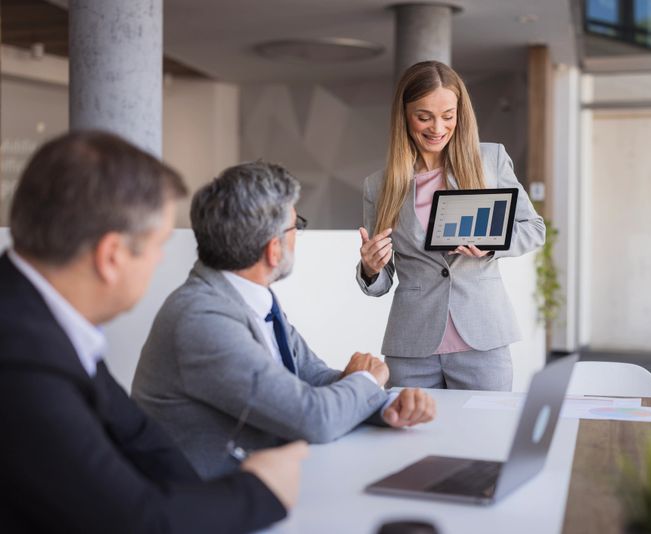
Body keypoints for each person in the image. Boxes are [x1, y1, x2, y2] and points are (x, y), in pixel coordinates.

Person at [0, 131, 307, 533]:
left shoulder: (36, 315)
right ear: (112, 257)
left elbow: (140, 437)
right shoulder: (21, 359)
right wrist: (261, 490)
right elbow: (134, 521)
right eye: (157, 245)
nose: (161, 260)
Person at [132, 161, 436, 480]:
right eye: (296, 226)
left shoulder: (250, 296)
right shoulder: (201, 320)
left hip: (263, 484)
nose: (297, 237)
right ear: (273, 249)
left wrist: (387, 405)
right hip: (205, 504)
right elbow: (312, 418)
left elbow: (311, 375)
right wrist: (366, 382)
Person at [356, 60, 545, 391]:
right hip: (412, 345)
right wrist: (370, 268)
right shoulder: (379, 186)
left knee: (483, 438)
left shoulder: (491, 161)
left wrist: (492, 244)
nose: (437, 128)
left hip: (482, 338)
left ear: (460, 114)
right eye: (424, 116)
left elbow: (534, 228)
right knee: (409, 440)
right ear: (404, 115)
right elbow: (382, 279)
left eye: (448, 116)